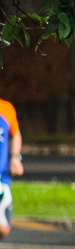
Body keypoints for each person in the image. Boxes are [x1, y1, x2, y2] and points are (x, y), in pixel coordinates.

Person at [0, 97, 23, 241]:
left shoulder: (6, 109)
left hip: (2, 179)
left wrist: (15, 157)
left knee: (3, 230)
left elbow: (16, 133)